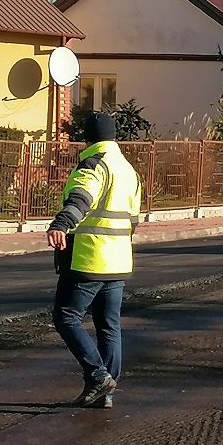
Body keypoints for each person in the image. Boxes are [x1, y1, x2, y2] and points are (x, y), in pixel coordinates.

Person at [47, 112, 143, 408]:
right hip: (118, 260)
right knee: (108, 325)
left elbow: (80, 199)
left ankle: (98, 375)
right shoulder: (128, 170)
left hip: (89, 258)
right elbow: (134, 220)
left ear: (86, 138)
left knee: (66, 316)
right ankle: (106, 392)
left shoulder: (93, 164)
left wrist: (61, 224)